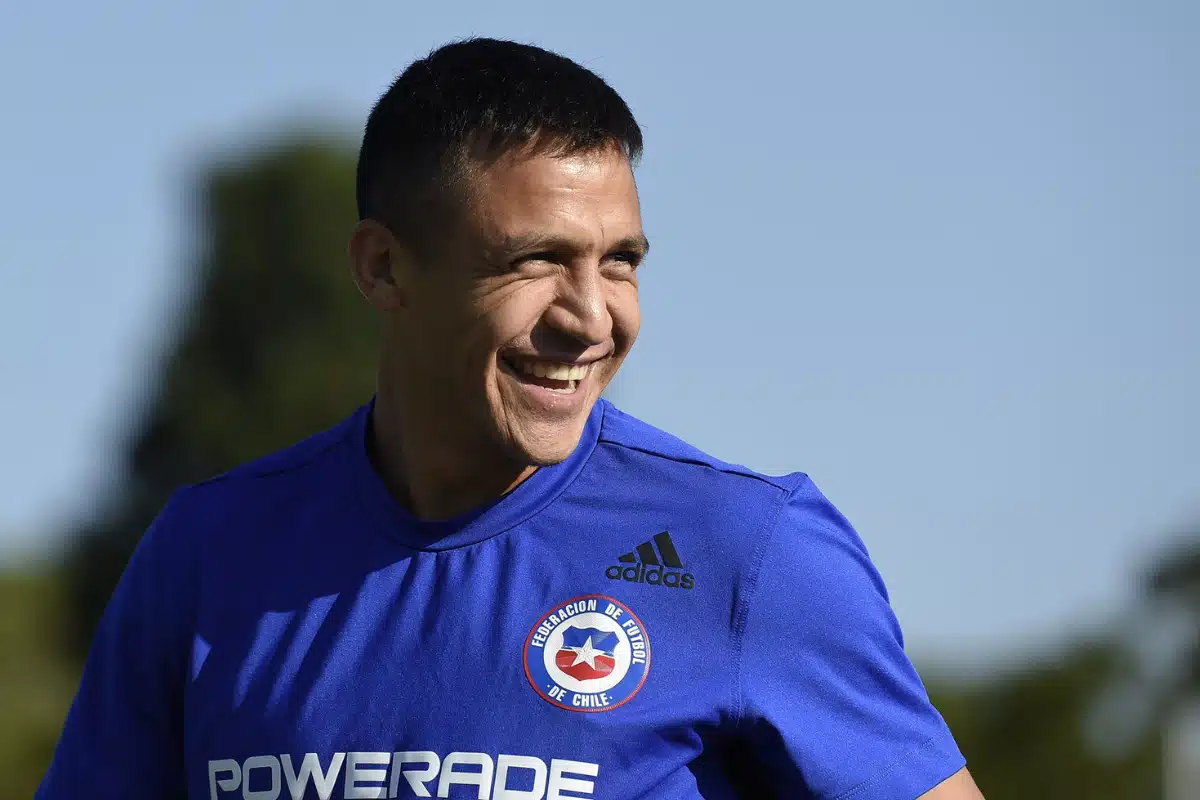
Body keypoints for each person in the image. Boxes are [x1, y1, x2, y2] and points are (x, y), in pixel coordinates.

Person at [37, 38, 985, 800]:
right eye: (535, 260)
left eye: (620, 261)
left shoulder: (748, 552)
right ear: (383, 268)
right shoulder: (208, 553)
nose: (591, 317)